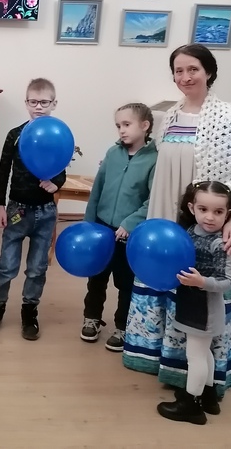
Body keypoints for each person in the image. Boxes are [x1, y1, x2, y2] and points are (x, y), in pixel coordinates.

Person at [123, 43, 231, 397]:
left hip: (204, 224)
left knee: (199, 289)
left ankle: (203, 378)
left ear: (209, 72)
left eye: (193, 69)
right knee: (165, 281)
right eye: (179, 70)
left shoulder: (226, 117)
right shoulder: (170, 117)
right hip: (167, 214)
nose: (185, 77)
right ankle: (162, 358)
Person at [0, 78, 67, 340]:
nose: (38, 107)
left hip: (45, 213)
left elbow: (62, 169)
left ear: (54, 104)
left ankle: (30, 313)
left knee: (37, 267)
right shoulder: (15, 135)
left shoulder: (58, 134)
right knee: (6, 265)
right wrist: (0, 206)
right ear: (26, 103)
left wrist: (56, 183)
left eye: (44, 102)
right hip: (17, 210)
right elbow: (3, 171)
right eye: (33, 102)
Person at [156, 181, 231, 425]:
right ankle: (208, 396)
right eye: (203, 209)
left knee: (196, 356)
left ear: (228, 213)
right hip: (190, 303)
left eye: (218, 211)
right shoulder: (191, 232)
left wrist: (201, 281)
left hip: (205, 310)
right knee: (203, 353)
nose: (210, 217)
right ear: (192, 208)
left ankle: (190, 405)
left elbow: (227, 281)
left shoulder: (221, 244)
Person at [81, 103, 157, 352]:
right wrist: (89, 223)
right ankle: (91, 318)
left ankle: (123, 327)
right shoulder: (113, 154)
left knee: (125, 283)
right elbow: (97, 189)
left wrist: (129, 223)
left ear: (144, 126)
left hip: (129, 235)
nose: (121, 130)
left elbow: (152, 199)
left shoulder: (154, 159)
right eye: (118, 126)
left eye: (126, 124)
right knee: (97, 277)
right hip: (102, 228)